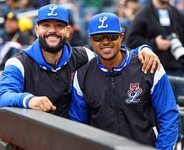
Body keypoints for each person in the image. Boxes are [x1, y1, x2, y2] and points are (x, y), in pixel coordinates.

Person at [0, 4, 160, 119]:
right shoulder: (19, 62)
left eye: (59, 25)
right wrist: (29, 100)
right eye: (46, 25)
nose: (52, 30)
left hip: (71, 138)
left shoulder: (83, 55)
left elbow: (113, 57)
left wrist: (141, 50)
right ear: (37, 29)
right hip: (35, 140)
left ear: (68, 31)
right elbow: (2, 96)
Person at [68, 12, 179, 150]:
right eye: (98, 37)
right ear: (91, 39)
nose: (105, 41)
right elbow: (78, 125)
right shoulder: (82, 75)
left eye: (112, 36)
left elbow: (169, 117)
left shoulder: (149, 66)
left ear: (121, 36)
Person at [125, 0, 184, 103]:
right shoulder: (143, 14)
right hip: (153, 70)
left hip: (177, 69)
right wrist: (155, 44)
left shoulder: (177, 13)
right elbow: (131, 40)